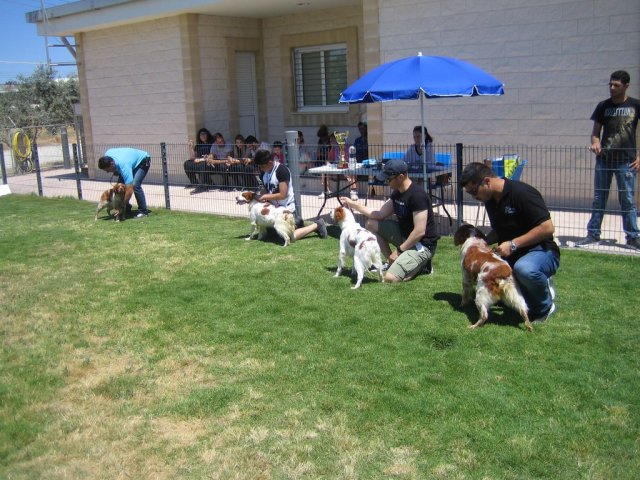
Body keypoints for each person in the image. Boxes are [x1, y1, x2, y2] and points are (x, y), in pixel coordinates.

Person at [460, 161, 560, 323]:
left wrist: (513, 244)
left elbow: (547, 228)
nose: (474, 196)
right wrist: (483, 242)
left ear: (486, 181)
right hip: (513, 253)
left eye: (473, 191)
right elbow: (500, 230)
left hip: (542, 251)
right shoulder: (490, 201)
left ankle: (545, 306)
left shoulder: (522, 193)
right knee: (492, 272)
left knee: (524, 270)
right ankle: (531, 288)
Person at [339, 159, 438, 283]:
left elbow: (419, 232)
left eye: (388, 179)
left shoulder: (417, 196)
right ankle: (392, 262)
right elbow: (380, 214)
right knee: (371, 224)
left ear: (401, 177)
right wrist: (352, 204)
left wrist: (399, 251)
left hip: (422, 245)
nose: (386, 182)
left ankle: (423, 266)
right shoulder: (397, 193)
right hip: (405, 236)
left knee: (390, 278)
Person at [575, 70, 640, 251]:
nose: (612, 88)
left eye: (616, 85)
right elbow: (595, 133)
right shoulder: (603, 106)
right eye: (610, 85)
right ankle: (593, 234)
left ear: (626, 85)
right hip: (604, 160)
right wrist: (595, 144)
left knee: (627, 199)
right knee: (599, 198)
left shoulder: (636, 105)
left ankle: (633, 237)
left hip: (626, 161)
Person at [253, 149, 328, 240]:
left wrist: (265, 196)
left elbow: (282, 195)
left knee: (285, 236)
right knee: (270, 235)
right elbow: (265, 191)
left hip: (286, 208)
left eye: (262, 166)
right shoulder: (263, 173)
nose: (261, 168)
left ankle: (317, 225)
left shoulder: (281, 170)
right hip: (274, 210)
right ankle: (297, 223)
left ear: (269, 162)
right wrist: (264, 199)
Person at [98, 147, 151, 218]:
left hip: (143, 160)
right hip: (129, 161)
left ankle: (143, 211)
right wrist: (115, 170)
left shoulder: (124, 166)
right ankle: (127, 210)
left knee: (135, 185)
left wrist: (121, 206)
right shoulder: (107, 154)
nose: (107, 172)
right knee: (120, 186)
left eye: (108, 170)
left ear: (112, 164)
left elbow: (129, 189)